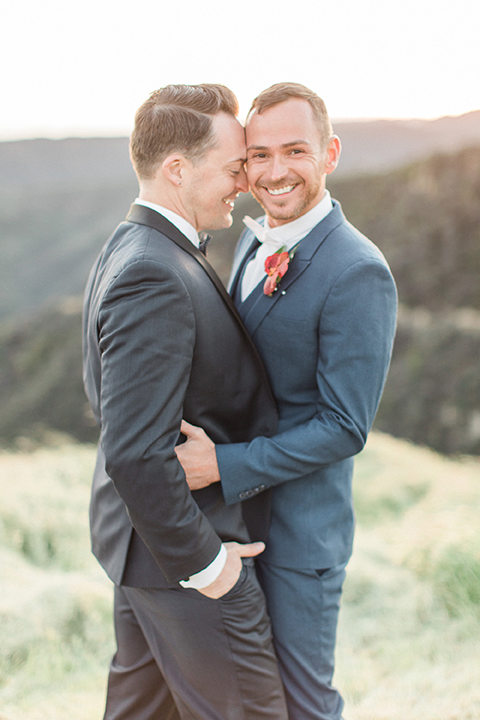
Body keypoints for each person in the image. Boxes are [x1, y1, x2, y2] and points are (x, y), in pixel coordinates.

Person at [175, 82, 398, 720]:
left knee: (304, 704)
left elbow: (344, 425)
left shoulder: (358, 270)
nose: (275, 173)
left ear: (329, 154)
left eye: (295, 151)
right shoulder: (250, 239)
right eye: (259, 154)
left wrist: (226, 466)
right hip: (233, 529)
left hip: (300, 538)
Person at [82, 83, 288, 720]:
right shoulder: (153, 272)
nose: (243, 183)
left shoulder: (134, 245)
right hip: (186, 564)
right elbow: (136, 451)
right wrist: (208, 568)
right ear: (177, 169)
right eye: (233, 168)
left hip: (145, 554)